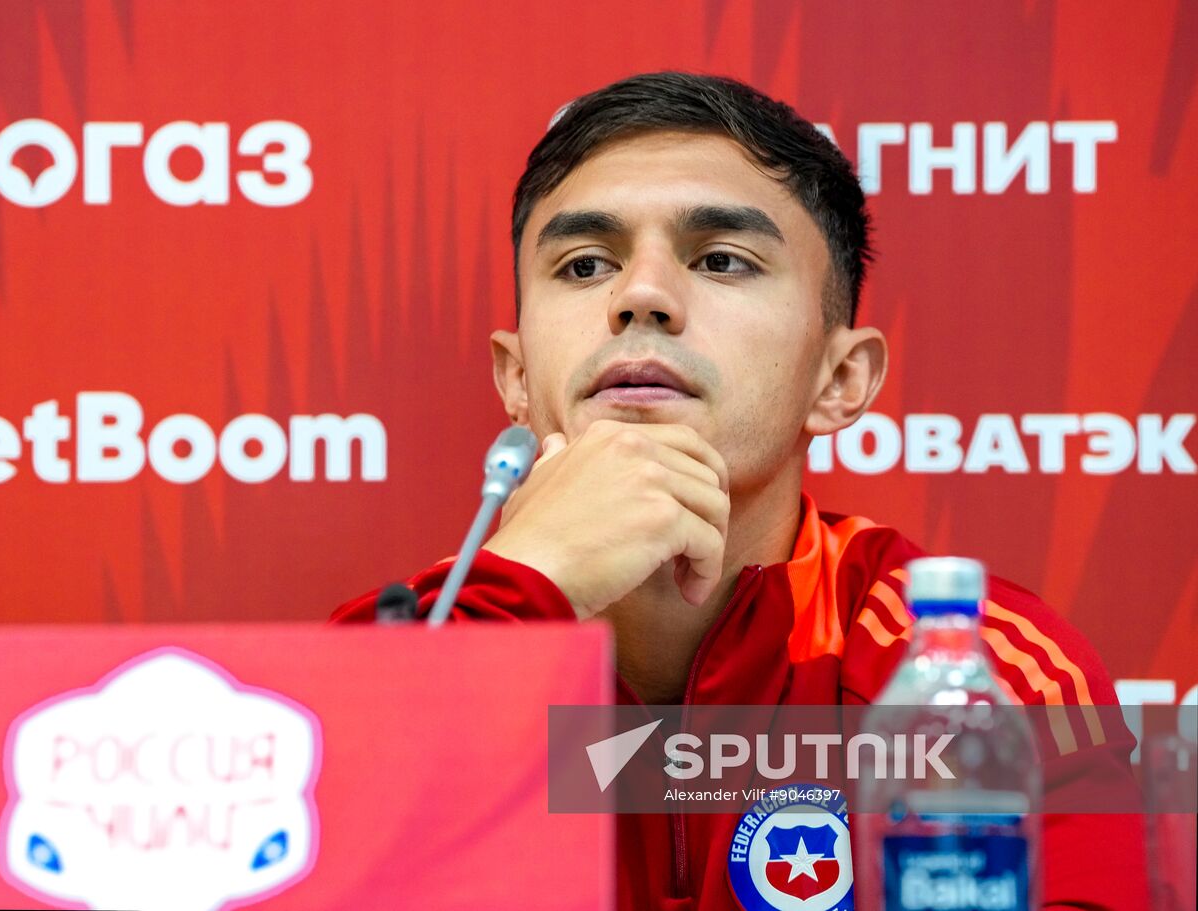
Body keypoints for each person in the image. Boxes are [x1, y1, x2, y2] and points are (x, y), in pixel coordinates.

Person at [332, 72, 1144, 910]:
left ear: (839, 379)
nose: (639, 297)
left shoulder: (972, 674)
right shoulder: (397, 649)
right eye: (584, 264)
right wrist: (530, 579)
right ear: (516, 375)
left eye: (721, 259)